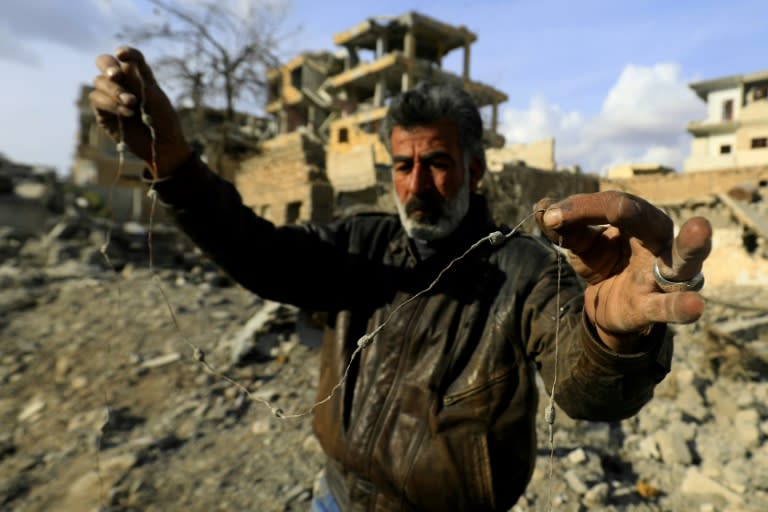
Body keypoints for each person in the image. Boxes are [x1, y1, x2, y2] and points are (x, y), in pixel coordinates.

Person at [89, 47, 712, 512]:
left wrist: (612, 336)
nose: (416, 186)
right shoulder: (362, 243)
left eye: (437, 164)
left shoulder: (525, 272)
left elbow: (587, 394)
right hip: (334, 499)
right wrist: (170, 163)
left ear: (474, 170)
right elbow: (263, 255)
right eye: (403, 165)